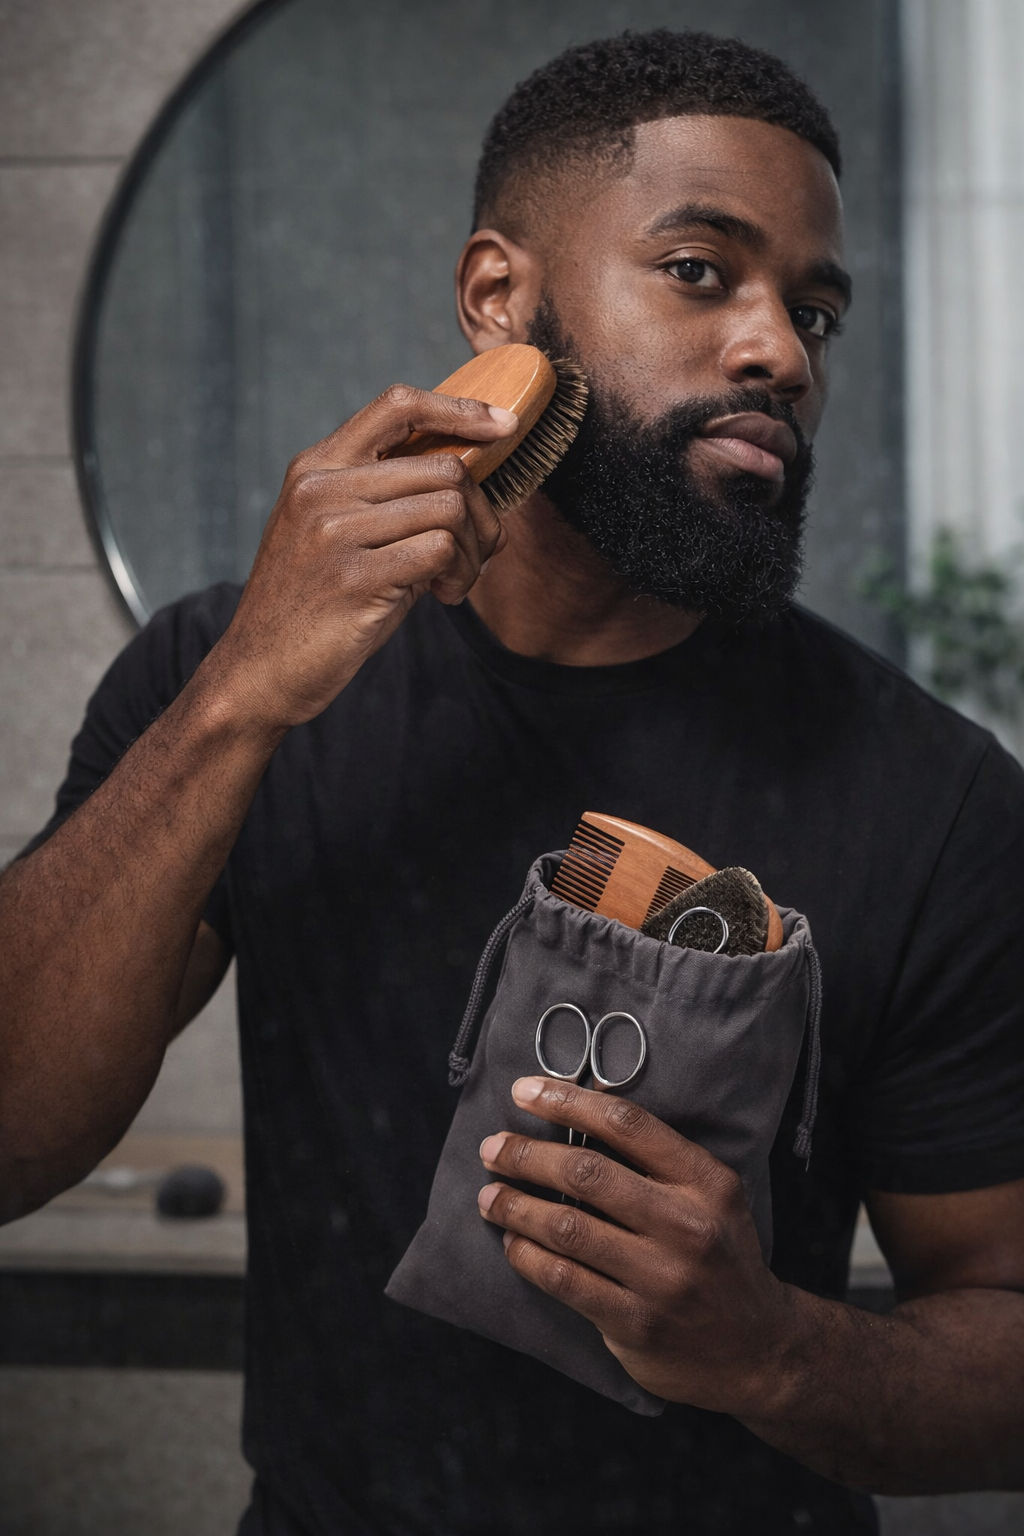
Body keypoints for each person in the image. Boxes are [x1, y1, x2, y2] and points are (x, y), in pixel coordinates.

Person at [2, 27, 1022, 1536]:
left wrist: (774, 1350)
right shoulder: (216, 680)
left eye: (815, 308)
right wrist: (239, 702)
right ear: (502, 298)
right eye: (701, 270)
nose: (782, 352)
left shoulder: (932, 796)